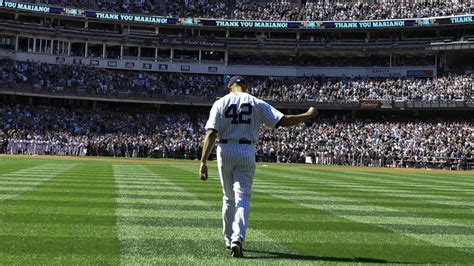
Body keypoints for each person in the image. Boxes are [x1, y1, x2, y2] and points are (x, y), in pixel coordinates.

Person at [199, 76, 318, 258]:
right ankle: (237, 239)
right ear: (244, 86)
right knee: (242, 197)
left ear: (229, 87)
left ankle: (228, 238)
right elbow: (283, 121)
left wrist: (203, 161)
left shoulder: (220, 102)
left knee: (228, 198)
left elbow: (211, 133)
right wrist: (308, 115)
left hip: (225, 149)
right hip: (247, 149)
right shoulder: (255, 102)